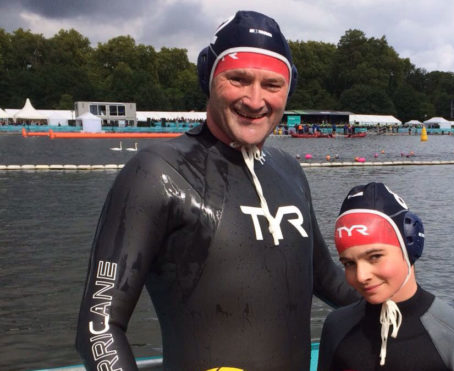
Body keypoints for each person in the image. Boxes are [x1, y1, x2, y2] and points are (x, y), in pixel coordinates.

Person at [76, 10, 358, 371]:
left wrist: (403, 299)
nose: (255, 101)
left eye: (272, 85)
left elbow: (327, 279)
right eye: (238, 79)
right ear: (208, 78)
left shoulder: (289, 170)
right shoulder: (156, 174)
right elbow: (98, 327)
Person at [318, 182, 454, 371]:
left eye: (375, 257)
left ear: (410, 247)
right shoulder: (336, 327)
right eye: (349, 264)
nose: (361, 276)